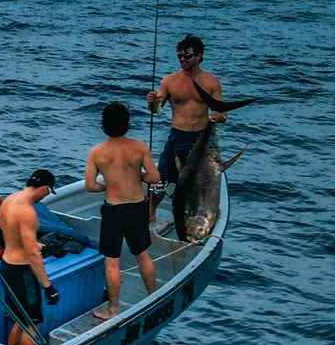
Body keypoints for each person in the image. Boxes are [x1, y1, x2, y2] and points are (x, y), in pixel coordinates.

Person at [83, 101, 159, 318]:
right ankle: (152, 296)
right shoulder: (140, 146)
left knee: (112, 261)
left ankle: (113, 309)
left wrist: (107, 184)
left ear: (103, 124)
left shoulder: (96, 152)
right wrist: (138, 176)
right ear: (127, 123)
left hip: (114, 211)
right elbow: (155, 177)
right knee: (142, 254)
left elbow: (90, 185)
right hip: (137, 207)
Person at [147, 33, 228, 217]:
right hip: (177, 136)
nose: (182, 60)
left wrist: (219, 117)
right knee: (160, 178)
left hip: (201, 140)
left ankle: (197, 216)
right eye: (179, 56)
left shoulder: (212, 82)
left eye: (187, 56)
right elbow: (157, 111)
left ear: (198, 56)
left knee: (199, 182)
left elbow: (223, 114)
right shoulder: (169, 81)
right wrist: (151, 102)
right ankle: (151, 213)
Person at [0, 170, 60, 345]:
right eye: (48, 191)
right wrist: (48, 287)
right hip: (22, 273)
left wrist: (32, 243)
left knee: (20, 319)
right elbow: (32, 255)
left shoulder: (9, 200)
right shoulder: (27, 212)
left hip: (6, 266)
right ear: (44, 188)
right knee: (32, 322)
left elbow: (10, 230)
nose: (46, 195)